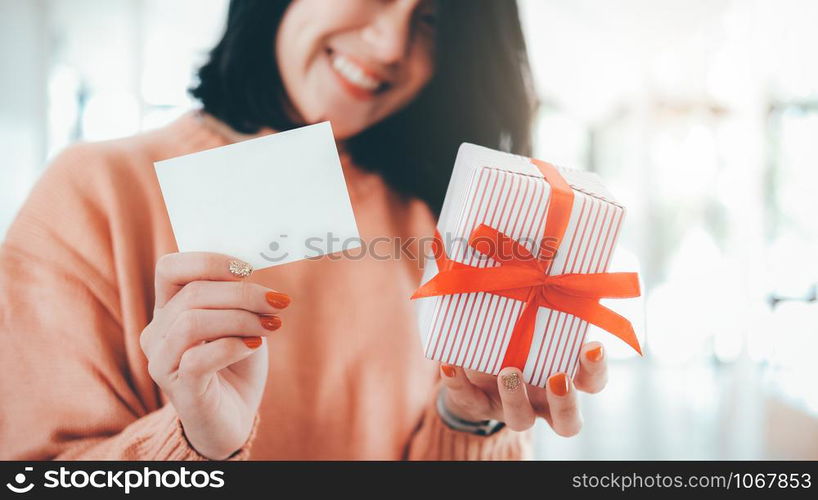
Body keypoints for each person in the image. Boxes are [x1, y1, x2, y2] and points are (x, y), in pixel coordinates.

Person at [0, 0, 609, 460]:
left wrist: (467, 422)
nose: (391, 42)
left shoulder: (432, 220)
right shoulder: (95, 191)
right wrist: (196, 445)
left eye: (431, 18)